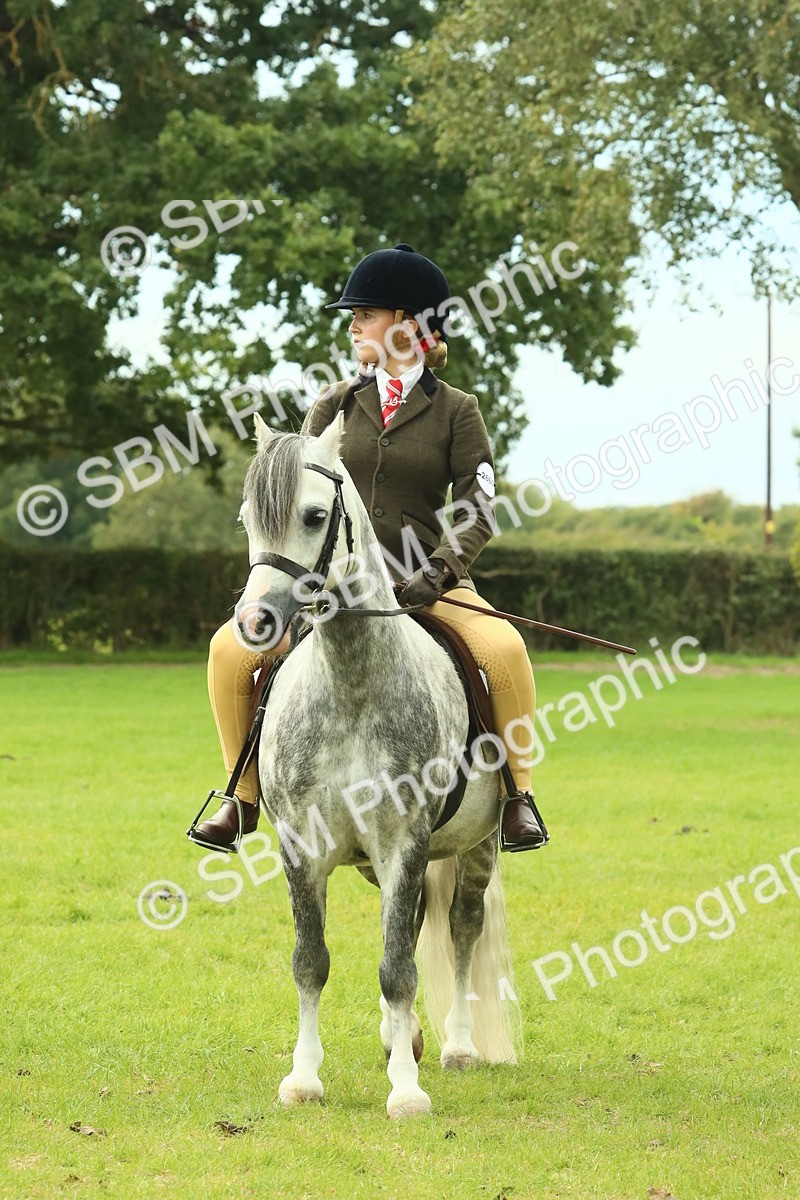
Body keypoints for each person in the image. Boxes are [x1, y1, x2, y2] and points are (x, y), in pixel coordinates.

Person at [189, 243, 546, 854]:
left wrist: (440, 571)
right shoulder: (333, 404)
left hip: (429, 583)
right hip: (329, 587)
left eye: (367, 313)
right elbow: (297, 497)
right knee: (229, 651)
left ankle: (517, 796)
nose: (353, 324)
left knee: (504, 649)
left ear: (410, 326)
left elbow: (478, 506)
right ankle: (241, 796)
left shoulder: (459, 411)